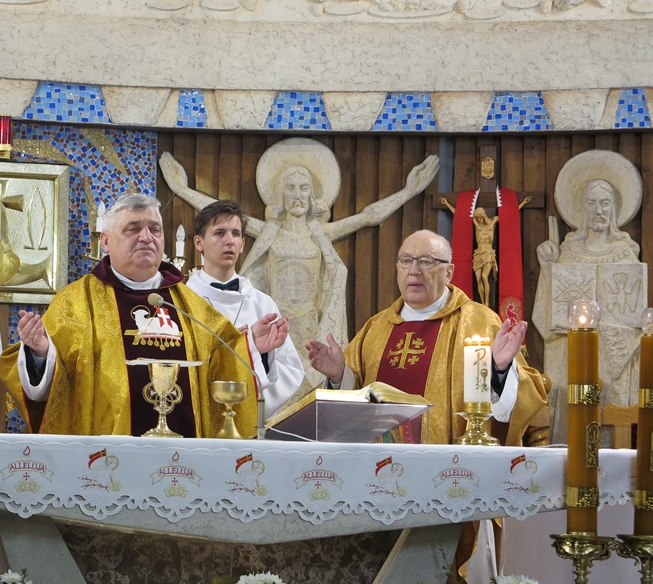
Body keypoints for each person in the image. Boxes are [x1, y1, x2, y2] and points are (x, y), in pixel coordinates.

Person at [160, 139, 439, 394]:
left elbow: (368, 217)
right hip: (274, 321)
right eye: (290, 188)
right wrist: (181, 189)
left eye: (304, 188)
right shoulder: (270, 232)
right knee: (270, 391)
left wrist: (409, 190)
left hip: (309, 326)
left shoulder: (320, 233)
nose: (297, 195)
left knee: (307, 397)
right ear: (280, 195)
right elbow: (223, 217)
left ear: (312, 195)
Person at [0, 193, 259, 437]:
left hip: (184, 454)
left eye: (155, 230)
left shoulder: (191, 306)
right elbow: (52, 391)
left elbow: (225, 363)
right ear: (106, 241)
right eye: (133, 229)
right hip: (106, 454)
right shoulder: (74, 303)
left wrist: (255, 347)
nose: (146, 237)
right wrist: (41, 354)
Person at [305, 230, 548, 446]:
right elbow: (351, 407)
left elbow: (526, 400)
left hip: (451, 467)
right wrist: (339, 376)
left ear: (448, 272)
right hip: (377, 464)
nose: (414, 270)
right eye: (405, 261)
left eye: (426, 262)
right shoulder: (375, 328)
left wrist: (500, 370)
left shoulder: (479, 322)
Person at [532, 152, 644, 443]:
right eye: (591, 203)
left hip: (616, 358)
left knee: (612, 429)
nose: (598, 210)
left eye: (605, 203)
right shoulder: (567, 252)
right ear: (581, 208)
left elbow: (634, 315)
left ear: (614, 208)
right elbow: (550, 316)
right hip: (572, 357)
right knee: (575, 432)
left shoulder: (625, 253)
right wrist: (548, 268)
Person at [184, 200, 303, 419]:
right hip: (197, 419)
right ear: (199, 242)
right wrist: (246, 346)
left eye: (235, 234)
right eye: (219, 233)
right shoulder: (183, 301)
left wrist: (263, 355)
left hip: (249, 423)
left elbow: (290, 369)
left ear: (242, 244)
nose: (229, 241)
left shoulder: (263, 304)